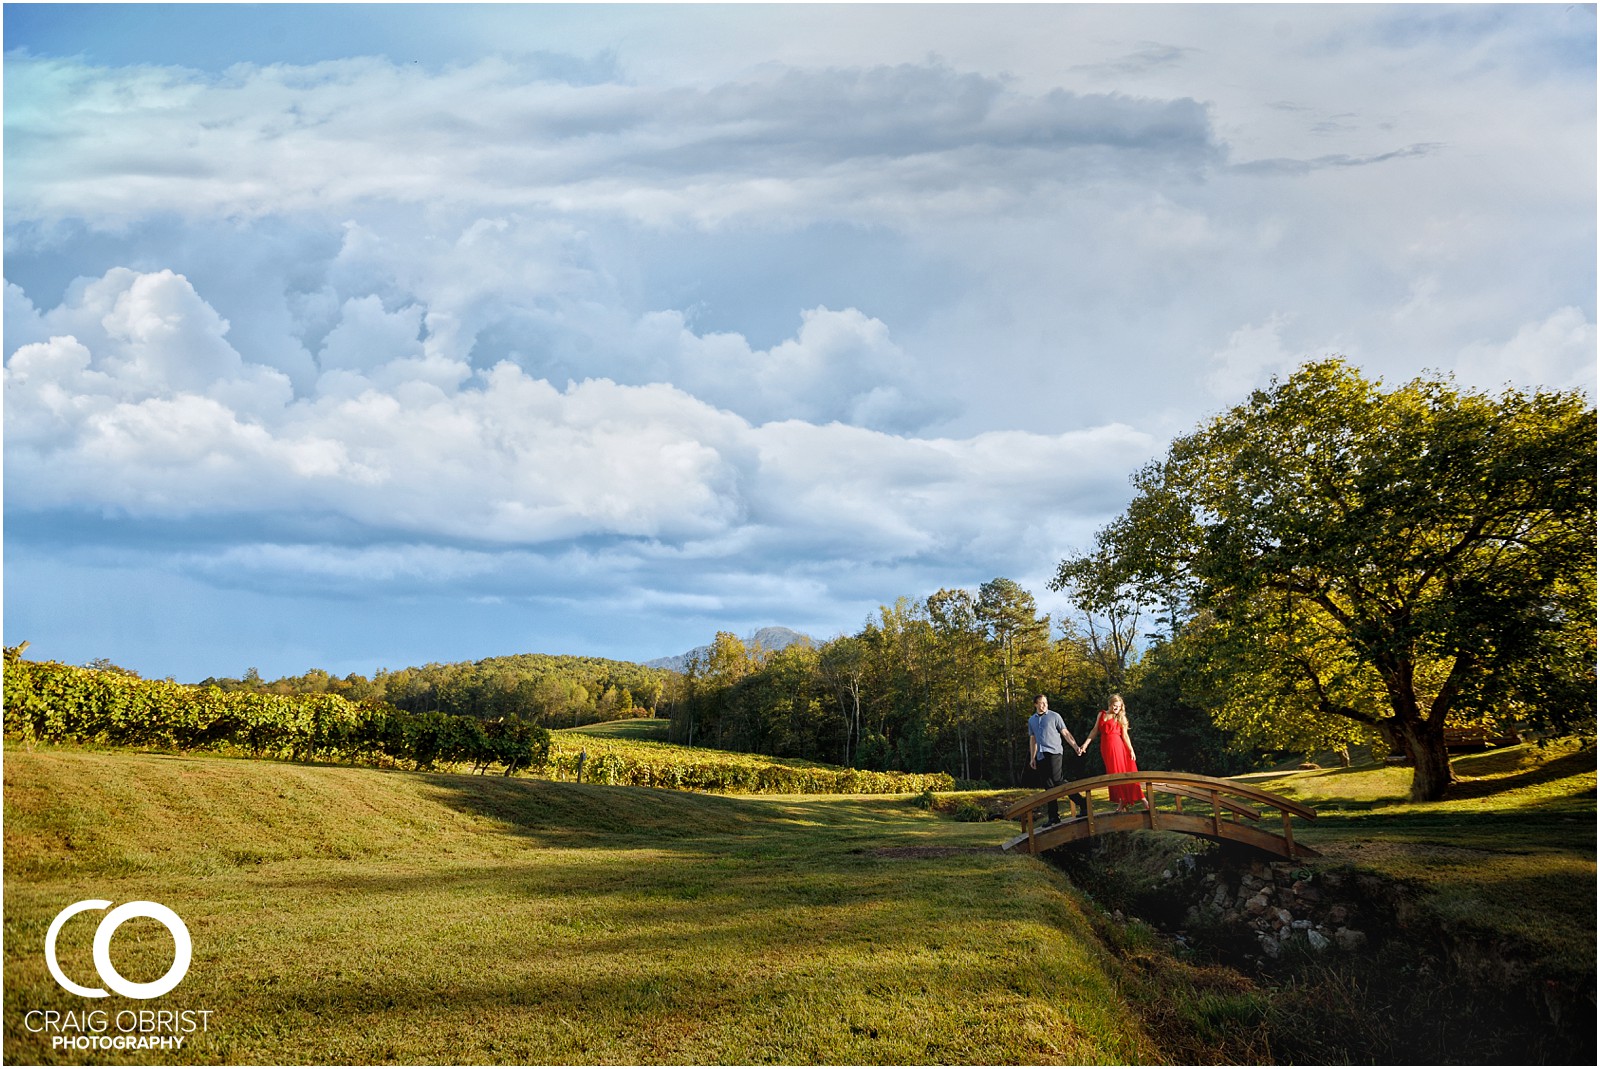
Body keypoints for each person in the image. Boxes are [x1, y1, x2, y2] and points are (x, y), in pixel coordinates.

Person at [1079, 693, 1147, 812]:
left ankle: (1139, 800)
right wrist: (1085, 745)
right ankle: (1123, 800)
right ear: (1110, 704)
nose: (1117, 708)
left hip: (1117, 746)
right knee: (1112, 773)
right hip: (1105, 747)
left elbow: (1125, 735)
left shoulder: (1120, 718)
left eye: (1119, 707)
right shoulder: (1101, 714)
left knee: (1120, 772)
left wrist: (1131, 750)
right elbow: (1094, 730)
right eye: (1115, 706)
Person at [1026, 695, 1084, 826]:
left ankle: (1083, 803)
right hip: (1041, 755)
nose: (1044, 705)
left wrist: (1075, 747)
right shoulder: (1032, 720)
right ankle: (1053, 817)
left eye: (1045, 703)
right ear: (1035, 705)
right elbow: (1033, 739)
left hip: (1054, 752)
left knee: (1057, 779)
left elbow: (1065, 733)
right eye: (1041, 703)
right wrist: (1032, 757)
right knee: (1048, 786)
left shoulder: (1054, 716)